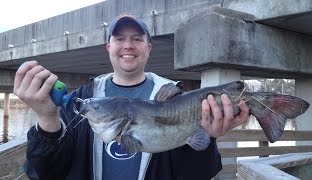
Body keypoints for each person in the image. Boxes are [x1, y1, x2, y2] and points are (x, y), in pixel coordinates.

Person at [14, 14, 249, 180]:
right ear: (108, 47)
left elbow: (196, 175)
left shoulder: (175, 99)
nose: (128, 45)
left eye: (137, 38)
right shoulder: (82, 102)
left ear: (149, 47)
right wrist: (46, 119)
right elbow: (43, 173)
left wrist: (207, 140)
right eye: (119, 38)